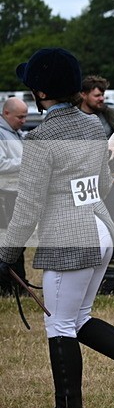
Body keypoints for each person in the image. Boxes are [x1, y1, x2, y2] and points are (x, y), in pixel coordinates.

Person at [0, 48, 114, 408]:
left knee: (60, 325)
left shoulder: (41, 138)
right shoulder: (93, 126)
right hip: (100, 229)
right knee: (77, 319)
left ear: (41, 93)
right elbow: (104, 183)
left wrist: (6, 254)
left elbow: (27, 206)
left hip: (70, 238)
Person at [79, 75, 114, 222]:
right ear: (83, 95)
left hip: (109, 181)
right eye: (97, 95)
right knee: (85, 223)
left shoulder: (110, 114)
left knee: (110, 221)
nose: (101, 99)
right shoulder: (73, 118)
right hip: (82, 182)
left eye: (102, 95)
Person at [0, 97, 28, 296]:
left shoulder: (15, 132)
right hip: (5, 196)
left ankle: (18, 284)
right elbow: (1, 165)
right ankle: (10, 286)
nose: (23, 121)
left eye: (25, 117)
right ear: (6, 113)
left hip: (16, 195)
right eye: (20, 117)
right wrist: (25, 160)